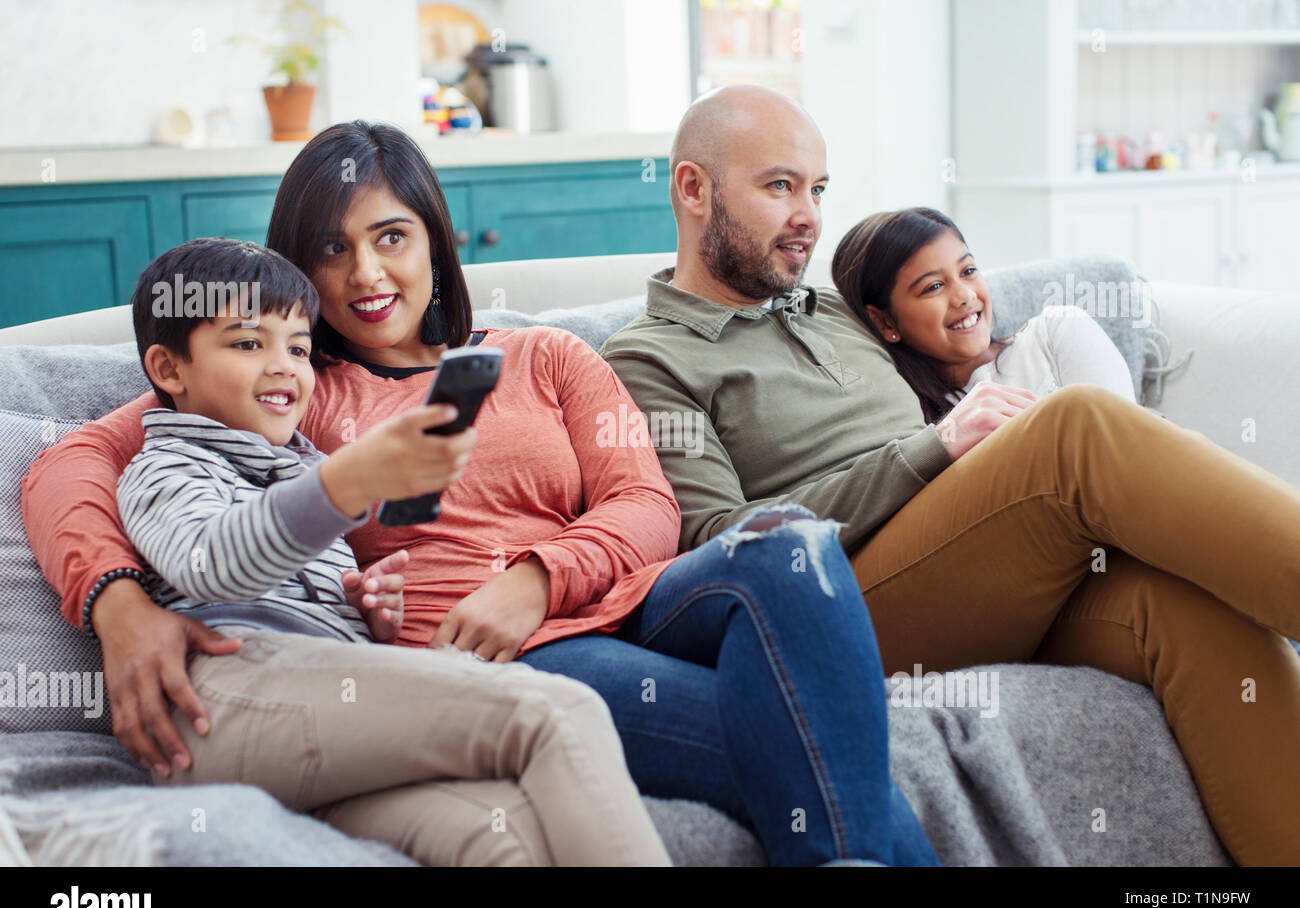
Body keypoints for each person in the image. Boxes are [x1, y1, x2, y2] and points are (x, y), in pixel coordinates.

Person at [21, 120, 939, 867]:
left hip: (613, 602)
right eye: (331, 249)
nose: (366, 275)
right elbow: (69, 464)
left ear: (434, 240)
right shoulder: (288, 385)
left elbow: (647, 505)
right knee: (816, 743)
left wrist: (536, 576)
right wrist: (114, 600)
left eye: (391, 238)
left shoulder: (546, 355)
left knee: (789, 545)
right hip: (506, 659)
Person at [598, 84, 1300, 866]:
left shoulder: (830, 309)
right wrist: (931, 451)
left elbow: (954, 326)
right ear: (693, 188)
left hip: (969, 563)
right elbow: (719, 542)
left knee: (1185, 611)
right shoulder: (646, 358)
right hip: (838, 606)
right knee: (1071, 429)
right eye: (779, 186)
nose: (809, 215)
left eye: (818, 189)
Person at [114, 236, 671, 867]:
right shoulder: (164, 466)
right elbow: (215, 562)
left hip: (315, 727)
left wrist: (369, 613)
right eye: (248, 344)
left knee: (503, 838)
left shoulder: (300, 467)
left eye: (298, 348)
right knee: (557, 711)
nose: (284, 367)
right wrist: (345, 482)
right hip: (222, 703)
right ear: (168, 370)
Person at [831, 206, 1136, 423]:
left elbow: (1127, 440)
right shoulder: (924, 428)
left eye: (969, 271)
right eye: (934, 286)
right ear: (884, 321)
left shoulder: (1057, 332)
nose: (965, 295)